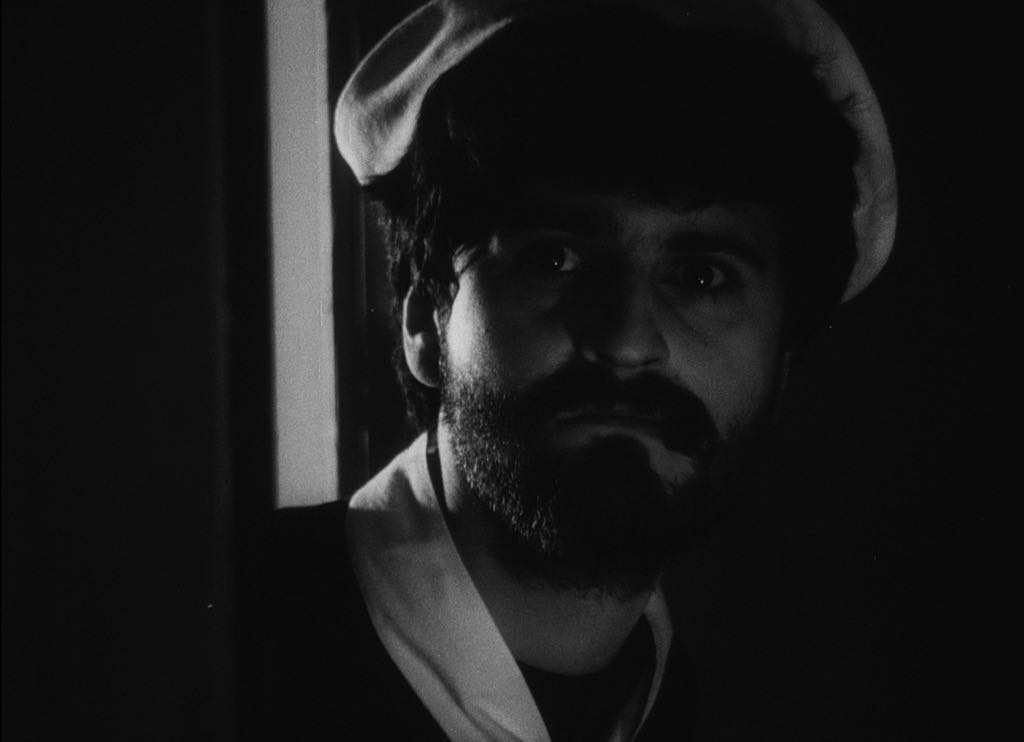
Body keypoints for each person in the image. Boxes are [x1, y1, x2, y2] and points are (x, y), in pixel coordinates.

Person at [247, 1, 897, 740]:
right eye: (553, 257)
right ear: (426, 321)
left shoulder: (686, 707)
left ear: (782, 365)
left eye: (701, 276)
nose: (625, 342)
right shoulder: (210, 640)